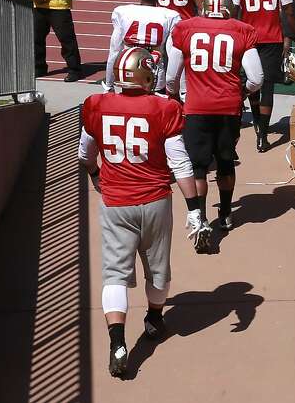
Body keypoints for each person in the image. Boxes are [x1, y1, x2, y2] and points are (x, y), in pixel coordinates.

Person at [79, 45, 195, 378]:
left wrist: (96, 175)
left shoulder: (96, 106)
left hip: (116, 202)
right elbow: (180, 161)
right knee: (158, 269)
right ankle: (155, 319)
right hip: (156, 199)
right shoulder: (164, 108)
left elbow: (85, 154)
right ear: (147, 74)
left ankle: (117, 341)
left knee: (115, 275)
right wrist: (195, 208)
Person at [166, 0, 262, 243]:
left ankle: (201, 218)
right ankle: (227, 212)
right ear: (230, 10)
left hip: (196, 106)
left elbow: (171, 77)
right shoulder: (242, 30)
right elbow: (256, 78)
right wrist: (239, 92)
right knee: (226, 161)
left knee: (198, 167)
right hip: (228, 107)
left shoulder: (185, 29)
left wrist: (175, 96)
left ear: (204, 8)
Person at [230, 0, 295, 153]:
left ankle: (257, 122)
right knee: (266, 85)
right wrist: (293, 34)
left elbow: (233, 8)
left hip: (247, 36)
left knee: (251, 80)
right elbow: (288, 10)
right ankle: (263, 136)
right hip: (271, 36)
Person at [102, 0, 180, 92]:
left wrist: (109, 84)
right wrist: (173, 86)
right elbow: (172, 53)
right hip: (154, 74)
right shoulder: (170, 16)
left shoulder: (123, 12)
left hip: (129, 73)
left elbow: (114, 51)